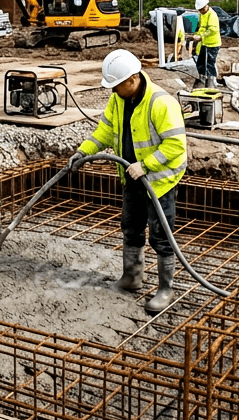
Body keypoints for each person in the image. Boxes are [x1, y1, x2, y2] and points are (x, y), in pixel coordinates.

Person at [70, 49, 188, 313]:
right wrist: (83, 151)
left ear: (132, 79)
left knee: (161, 236)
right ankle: (132, 277)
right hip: (131, 176)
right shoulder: (118, 100)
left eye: (116, 85)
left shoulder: (161, 103)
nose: (112, 91)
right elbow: (104, 131)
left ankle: (165, 290)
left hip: (159, 181)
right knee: (131, 227)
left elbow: (176, 145)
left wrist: (145, 165)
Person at [190, 0, 222, 88]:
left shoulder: (212, 15)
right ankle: (202, 79)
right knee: (201, 62)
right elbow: (202, 27)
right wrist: (197, 34)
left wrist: (201, 37)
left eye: (202, 9)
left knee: (209, 63)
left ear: (207, 6)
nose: (201, 11)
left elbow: (212, 30)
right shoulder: (202, 14)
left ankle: (212, 82)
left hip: (212, 44)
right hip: (205, 43)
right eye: (200, 10)